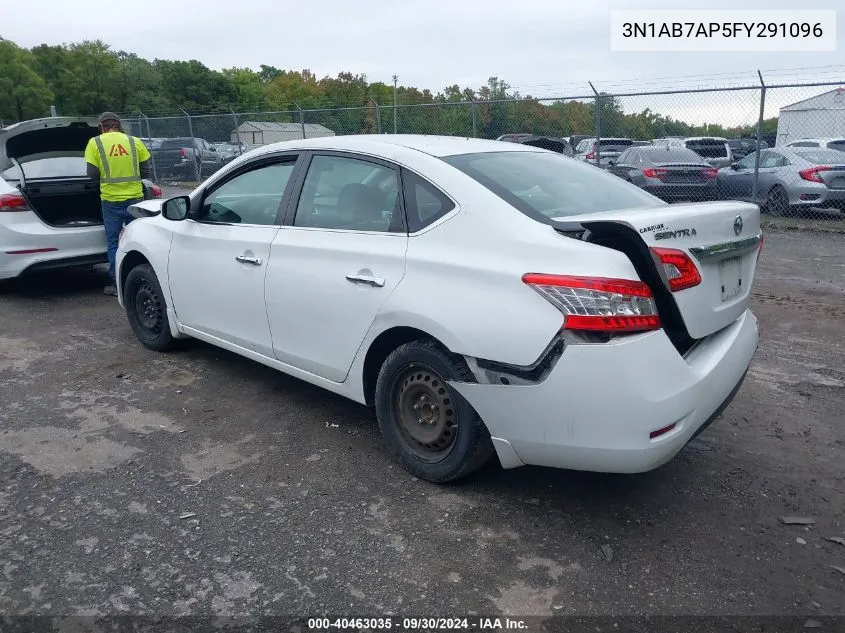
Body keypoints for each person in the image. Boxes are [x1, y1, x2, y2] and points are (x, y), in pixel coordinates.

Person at [85, 112, 153, 296]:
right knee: (137, 240)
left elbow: (91, 174)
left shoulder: (95, 143)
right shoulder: (134, 141)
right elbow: (146, 170)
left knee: (114, 243)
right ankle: (139, 279)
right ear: (118, 125)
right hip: (135, 198)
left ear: (101, 126)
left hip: (111, 200)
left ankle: (116, 284)